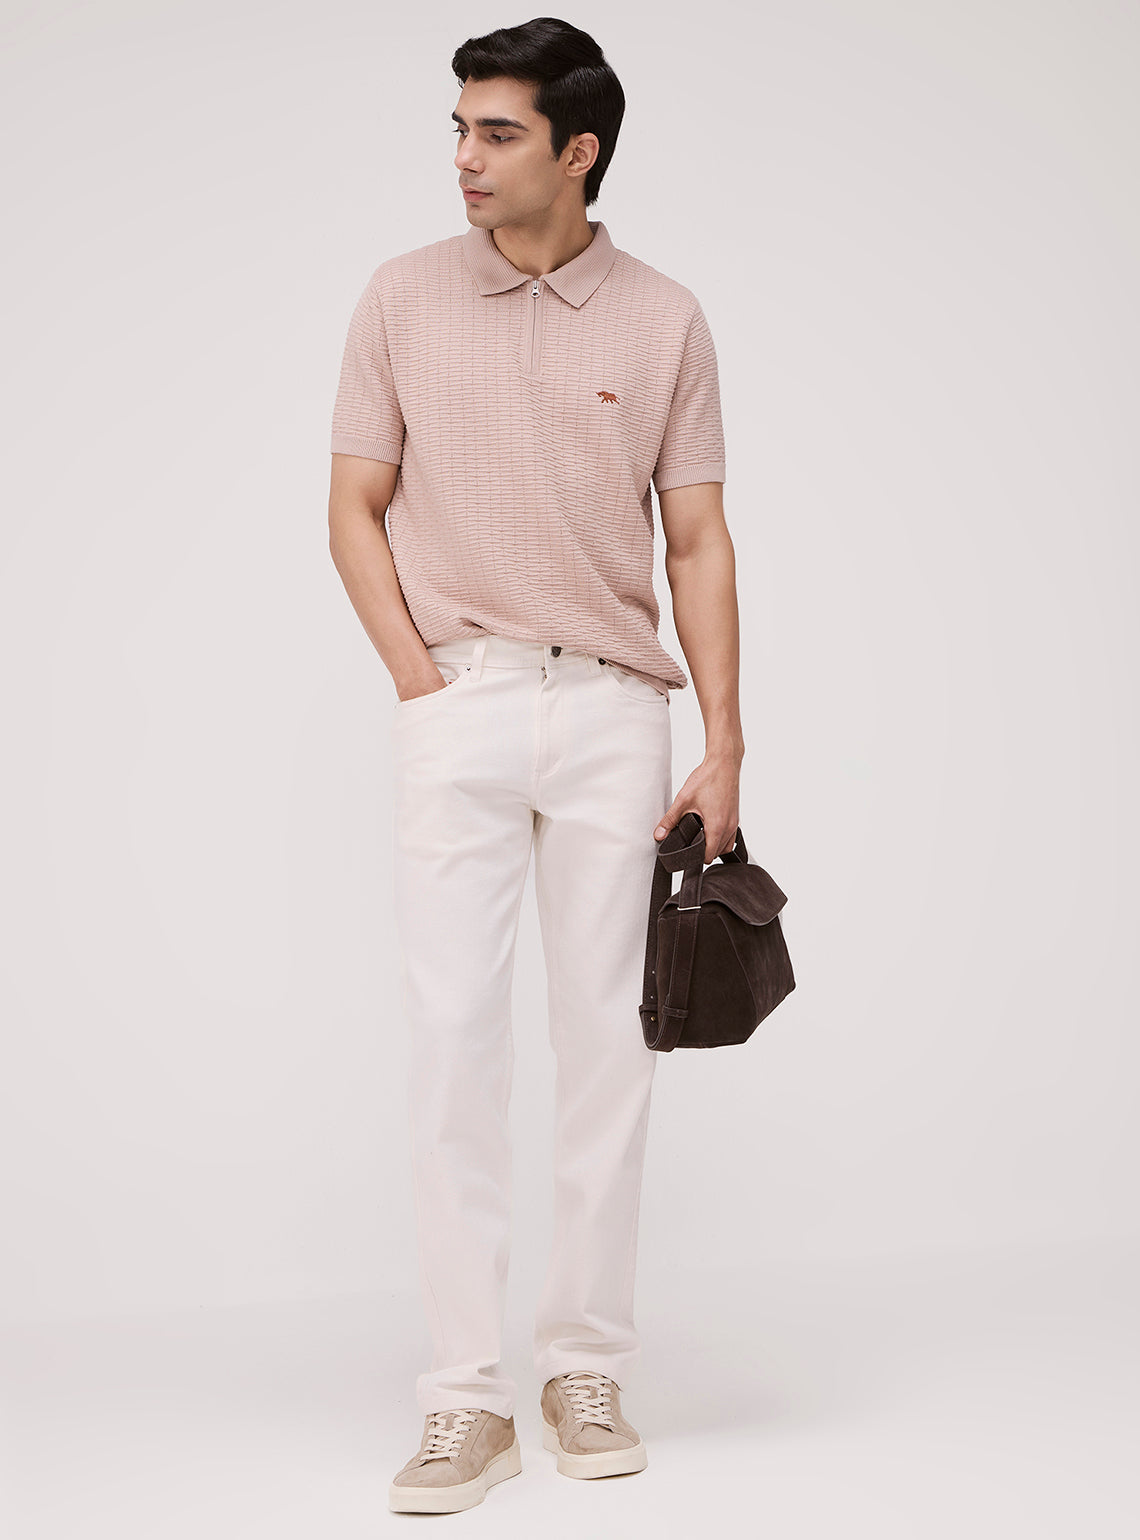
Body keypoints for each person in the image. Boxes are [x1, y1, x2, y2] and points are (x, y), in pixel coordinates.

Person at [328, 16, 745, 1517]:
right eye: (458, 127)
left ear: (579, 151)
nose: (464, 156)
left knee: (609, 1049)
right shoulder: (401, 297)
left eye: (496, 133)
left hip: (618, 713)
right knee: (454, 1043)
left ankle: (585, 1366)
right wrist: (420, 681)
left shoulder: (665, 319)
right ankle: (464, 1399)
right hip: (463, 699)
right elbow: (353, 505)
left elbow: (696, 541)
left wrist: (726, 742)